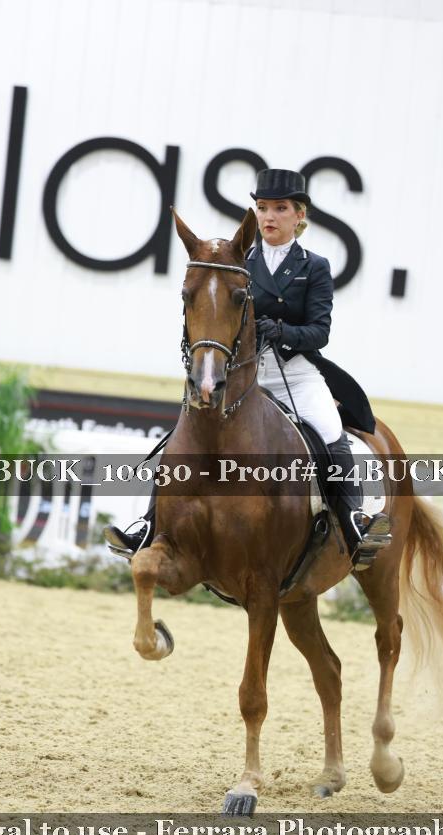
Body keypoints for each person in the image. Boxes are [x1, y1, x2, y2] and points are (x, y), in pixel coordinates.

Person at [106, 168, 391, 567]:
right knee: (182, 439)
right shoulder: (238, 262)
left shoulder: (314, 266)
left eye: (280, 208)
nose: (269, 216)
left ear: (299, 215)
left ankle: (354, 522)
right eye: (262, 208)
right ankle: (149, 526)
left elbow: (320, 331)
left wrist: (282, 330)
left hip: (297, 375)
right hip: (246, 377)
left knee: (330, 432)